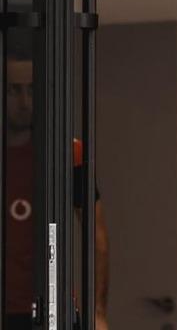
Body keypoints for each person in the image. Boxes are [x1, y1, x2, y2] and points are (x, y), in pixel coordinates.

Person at [5, 38, 110, 330]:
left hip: (53, 311)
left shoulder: (65, 153)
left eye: (31, 90)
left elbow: (97, 237)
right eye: (14, 90)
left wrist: (98, 312)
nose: (24, 102)